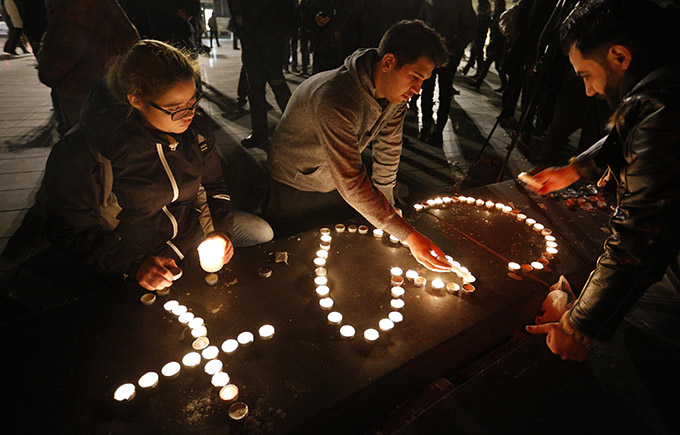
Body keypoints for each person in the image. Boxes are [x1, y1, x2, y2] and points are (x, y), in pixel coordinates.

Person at [12, 40, 273, 293]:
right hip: (130, 250)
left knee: (260, 233)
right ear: (136, 100)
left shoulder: (195, 130)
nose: (189, 115)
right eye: (175, 108)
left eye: (193, 102)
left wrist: (220, 234)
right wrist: (135, 264)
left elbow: (213, 185)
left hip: (188, 232)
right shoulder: (84, 150)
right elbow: (70, 231)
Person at [524, 0, 680, 363]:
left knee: (635, 320)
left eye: (586, 76)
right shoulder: (667, 74)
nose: (589, 91)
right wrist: (578, 168)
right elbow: (636, 126)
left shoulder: (664, 106)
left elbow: (640, 237)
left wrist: (579, 326)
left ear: (619, 57)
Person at [265, 20, 453, 272]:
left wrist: (388, 208)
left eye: (424, 81)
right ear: (388, 63)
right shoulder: (335, 98)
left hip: (334, 176)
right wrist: (408, 236)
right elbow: (351, 182)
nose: (418, 90)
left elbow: (388, 150)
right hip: (296, 180)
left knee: (342, 252)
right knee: (297, 255)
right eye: (415, 77)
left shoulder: (395, 96)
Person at [417, 0, 477, 145]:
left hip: (449, 53)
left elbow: (471, 27)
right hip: (429, 53)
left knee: (444, 91)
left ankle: (438, 130)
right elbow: (420, 21)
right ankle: (426, 126)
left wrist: (455, 47)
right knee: (427, 89)